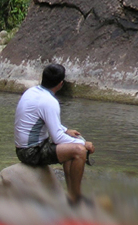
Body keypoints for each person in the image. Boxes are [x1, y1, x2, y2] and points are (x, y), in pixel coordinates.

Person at [14, 63, 95, 205]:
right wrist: (84, 144)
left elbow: (51, 125)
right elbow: (57, 138)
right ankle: (76, 199)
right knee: (79, 151)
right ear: (60, 83)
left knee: (71, 142)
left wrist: (66, 130)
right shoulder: (49, 101)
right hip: (31, 152)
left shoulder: (32, 92)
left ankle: (72, 195)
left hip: (25, 148)